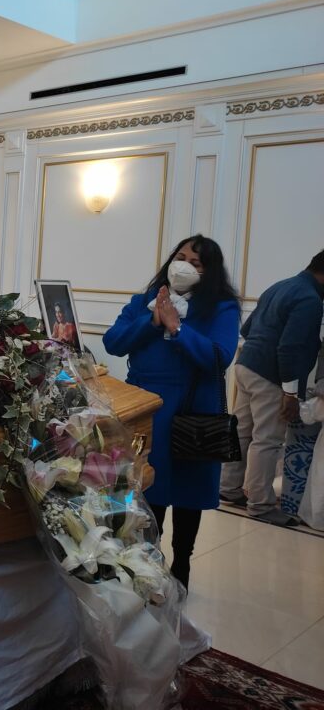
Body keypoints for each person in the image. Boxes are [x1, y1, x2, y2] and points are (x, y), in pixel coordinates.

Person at [103, 235, 240, 589]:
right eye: (180, 257)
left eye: (196, 263)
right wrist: (152, 321)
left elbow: (219, 357)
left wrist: (177, 327)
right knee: (147, 489)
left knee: (188, 493)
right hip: (146, 408)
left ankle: (182, 564)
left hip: (193, 410)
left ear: (209, 272)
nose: (184, 266)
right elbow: (113, 342)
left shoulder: (222, 307)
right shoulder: (145, 301)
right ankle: (146, 560)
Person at [220, 251, 324, 526]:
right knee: (267, 440)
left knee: (242, 432)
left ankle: (228, 488)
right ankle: (261, 504)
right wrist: (290, 393)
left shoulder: (280, 286)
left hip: (246, 365)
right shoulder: (310, 299)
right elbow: (290, 348)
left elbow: (247, 329)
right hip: (271, 375)